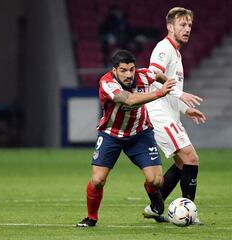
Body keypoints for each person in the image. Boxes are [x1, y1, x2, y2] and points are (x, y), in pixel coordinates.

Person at [76, 50, 176, 227]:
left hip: (140, 133)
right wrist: (160, 93)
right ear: (115, 70)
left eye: (131, 69)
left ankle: (155, 205)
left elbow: (158, 74)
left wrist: (168, 84)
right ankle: (91, 217)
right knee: (98, 180)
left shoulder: (144, 75)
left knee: (156, 180)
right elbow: (129, 100)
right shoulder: (107, 82)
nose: (129, 74)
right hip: (111, 134)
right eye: (124, 70)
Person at [142, 7, 206, 224]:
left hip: (170, 113)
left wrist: (185, 109)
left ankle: (155, 207)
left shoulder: (176, 53)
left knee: (182, 164)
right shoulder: (164, 48)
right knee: (191, 158)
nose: (187, 29)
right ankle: (189, 212)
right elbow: (153, 75)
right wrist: (180, 93)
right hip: (158, 113)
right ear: (170, 27)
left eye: (189, 25)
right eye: (182, 25)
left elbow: (170, 87)